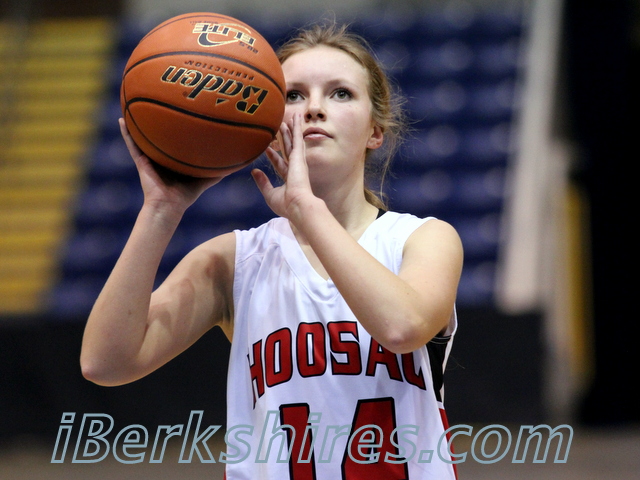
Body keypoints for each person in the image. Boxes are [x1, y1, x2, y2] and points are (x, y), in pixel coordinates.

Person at [81, 22, 463, 479]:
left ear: (374, 131)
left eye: (341, 93)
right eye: (295, 95)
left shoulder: (421, 239)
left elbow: (401, 328)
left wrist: (305, 208)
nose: (314, 108)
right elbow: (104, 363)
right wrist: (161, 210)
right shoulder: (234, 261)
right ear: (267, 125)